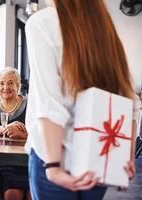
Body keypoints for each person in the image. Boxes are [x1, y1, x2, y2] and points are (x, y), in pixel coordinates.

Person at [25, 0, 141, 200]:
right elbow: (130, 101)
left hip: (53, 157)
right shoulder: (105, 30)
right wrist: (124, 157)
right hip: (96, 158)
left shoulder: (42, 22)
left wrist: (53, 166)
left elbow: (49, 102)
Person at [0, 67, 30, 200]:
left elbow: (40, 132)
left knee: (32, 196)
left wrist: (23, 135)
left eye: (10, 83)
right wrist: (6, 128)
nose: (6, 87)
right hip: (8, 163)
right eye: (1, 83)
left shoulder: (29, 104)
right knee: (12, 195)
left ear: (17, 85)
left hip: (30, 160)